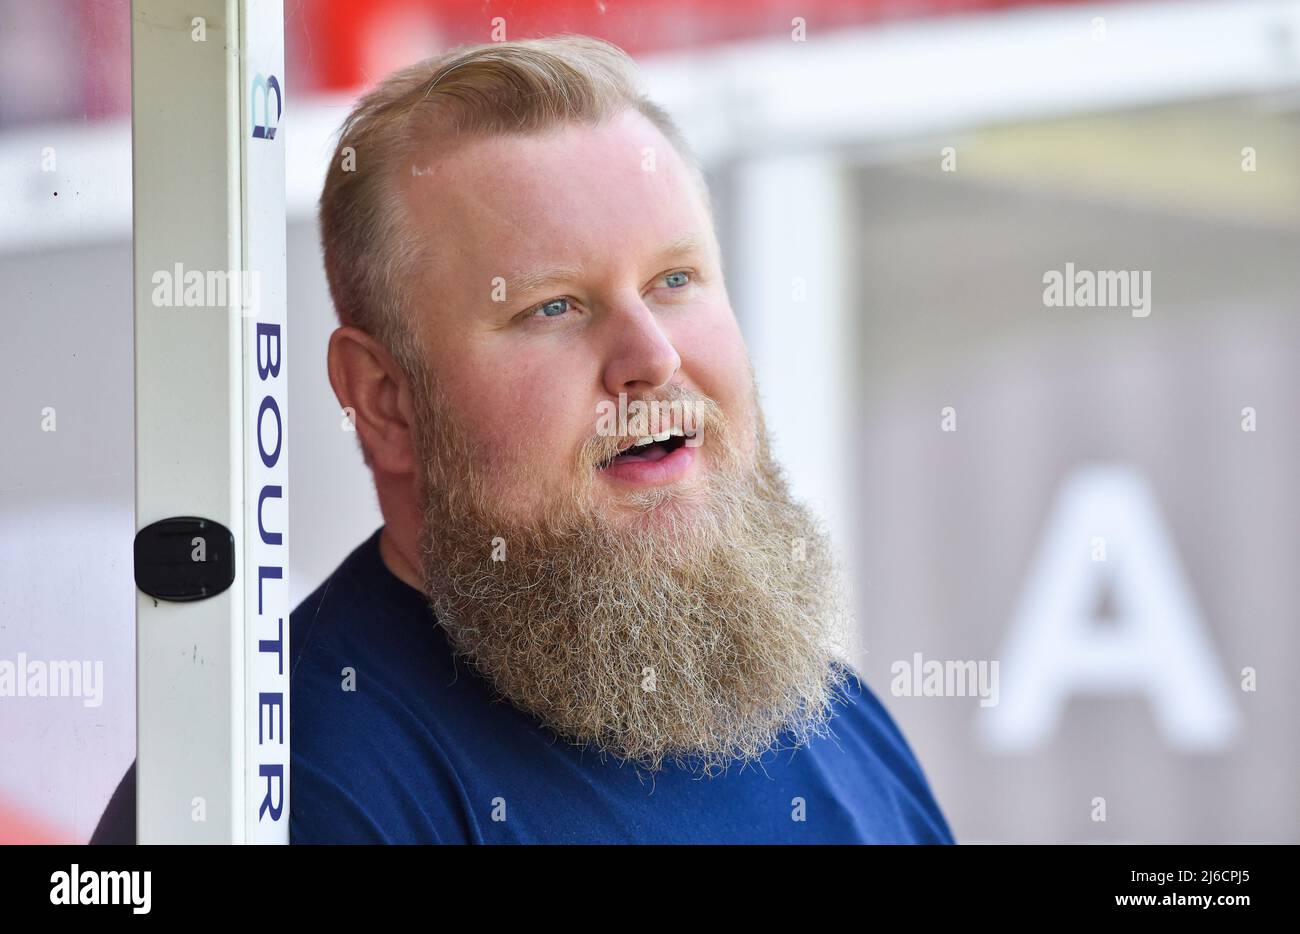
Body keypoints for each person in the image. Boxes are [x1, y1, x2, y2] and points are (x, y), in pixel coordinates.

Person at [94, 35, 954, 844]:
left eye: (676, 280)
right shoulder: (292, 789)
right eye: (553, 307)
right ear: (386, 401)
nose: (651, 358)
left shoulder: (822, 712)